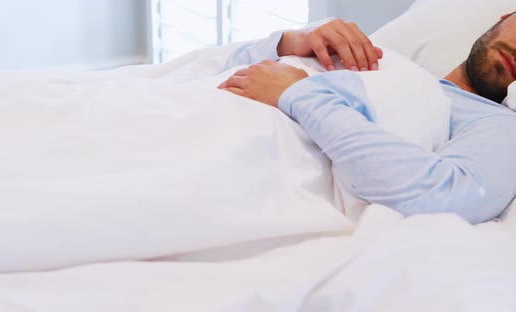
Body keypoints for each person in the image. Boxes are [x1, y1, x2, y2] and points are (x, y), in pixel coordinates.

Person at [217, 16, 516, 224]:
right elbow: (217, 68)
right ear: (504, 18)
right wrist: (289, 43)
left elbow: (443, 196)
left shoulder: (498, 125)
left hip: (237, 168)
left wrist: (300, 94)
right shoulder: (383, 57)